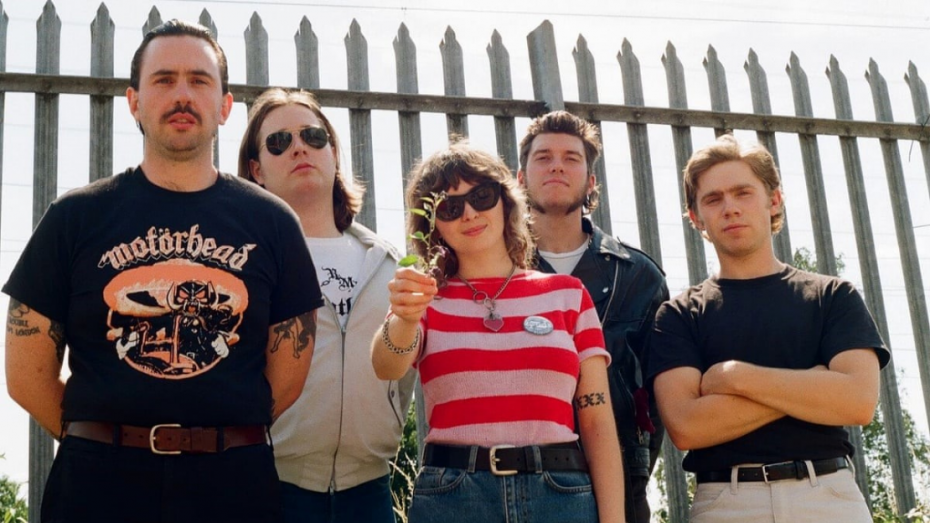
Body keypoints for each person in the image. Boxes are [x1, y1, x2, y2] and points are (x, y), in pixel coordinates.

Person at [4, 20, 322, 523]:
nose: (182, 95)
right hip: (96, 488)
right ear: (134, 101)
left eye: (199, 80)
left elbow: (286, 378)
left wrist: (218, 431)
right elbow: (26, 374)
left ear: (224, 106)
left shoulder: (274, 223)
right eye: (164, 79)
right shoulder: (74, 217)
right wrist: (100, 439)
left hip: (233, 486)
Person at [370, 142, 625, 523]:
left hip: (560, 496)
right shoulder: (423, 298)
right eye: (450, 207)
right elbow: (386, 366)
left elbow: (597, 422)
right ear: (433, 224)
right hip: (454, 499)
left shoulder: (568, 295)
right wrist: (405, 318)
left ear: (506, 200)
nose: (469, 213)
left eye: (481, 196)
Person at [647, 134, 889, 522]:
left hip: (828, 495)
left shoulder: (832, 296)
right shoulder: (679, 315)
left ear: (773, 200)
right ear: (696, 217)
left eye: (743, 193)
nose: (730, 208)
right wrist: (814, 383)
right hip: (726, 502)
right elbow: (687, 427)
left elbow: (857, 401)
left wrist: (735, 377)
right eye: (713, 199)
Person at [238, 87, 416, 523]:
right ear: (257, 170)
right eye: (279, 141)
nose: (299, 147)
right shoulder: (245, 264)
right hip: (269, 487)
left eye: (313, 136)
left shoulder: (388, 262)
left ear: (333, 152)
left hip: (370, 492)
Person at [517, 111, 669, 523]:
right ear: (520, 178)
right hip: (517, 483)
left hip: (620, 486)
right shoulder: (496, 272)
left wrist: (632, 466)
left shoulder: (639, 277)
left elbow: (658, 396)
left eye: (571, 158)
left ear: (591, 182)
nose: (557, 166)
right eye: (543, 157)